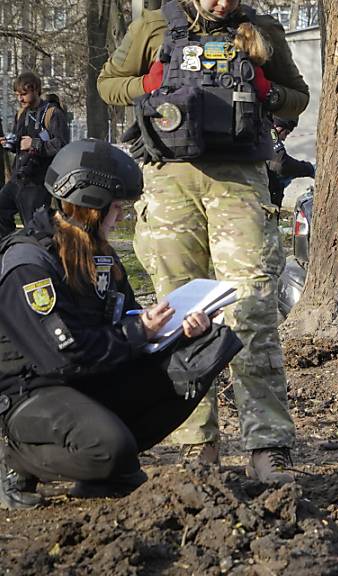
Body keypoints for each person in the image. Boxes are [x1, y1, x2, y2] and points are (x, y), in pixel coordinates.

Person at [97, 0, 310, 483]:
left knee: (253, 307)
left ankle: (268, 444)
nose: (221, 3)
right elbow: (108, 84)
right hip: (169, 180)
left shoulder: (259, 27)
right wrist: (146, 85)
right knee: (179, 312)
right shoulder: (153, 26)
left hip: (239, 182)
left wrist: (265, 91)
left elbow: (297, 96)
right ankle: (197, 445)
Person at [0, 140, 238, 509]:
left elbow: (126, 316)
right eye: (115, 208)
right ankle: (18, 460)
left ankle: (108, 467)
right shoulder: (28, 265)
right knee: (111, 448)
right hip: (32, 393)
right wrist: (138, 331)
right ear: (91, 205)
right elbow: (64, 356)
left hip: (85, 381)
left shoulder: (101, 257)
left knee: (201, 353)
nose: (121, 217)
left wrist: (177, 331)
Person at [0, 73, 70, 237]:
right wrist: (10, 143)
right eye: (17, 95)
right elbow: (20, 143)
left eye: (23, 94)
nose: (20, 99)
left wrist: (35, 144)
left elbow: (61, 145)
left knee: (36, 230)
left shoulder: (52, 113)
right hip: (18, 178)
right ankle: (9, 248)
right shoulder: (21, 114)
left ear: (36, 90)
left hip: (38, 183)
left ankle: (38, 258)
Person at [267, 116, 315, 208]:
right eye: (286, 133)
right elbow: (281, 164)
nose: (284, 138)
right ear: (278, 127)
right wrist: (310, 169)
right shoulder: (269, 131)